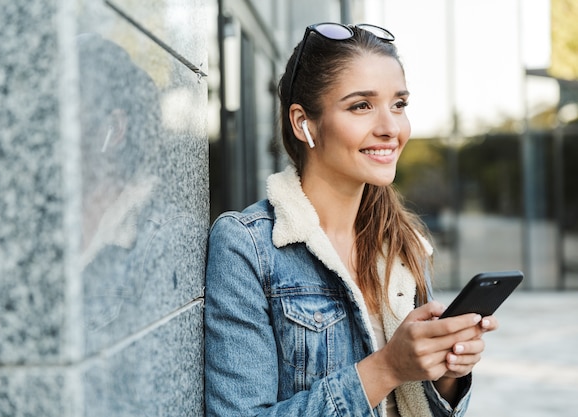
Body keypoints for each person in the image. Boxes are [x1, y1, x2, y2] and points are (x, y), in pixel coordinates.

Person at [204, 23, 498, 417]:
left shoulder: (401, 238)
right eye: (361, 105)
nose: (390, 128)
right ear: (302, 122)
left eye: (399, 104)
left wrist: (448, 371)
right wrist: (388, 367)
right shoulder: (248, 247)